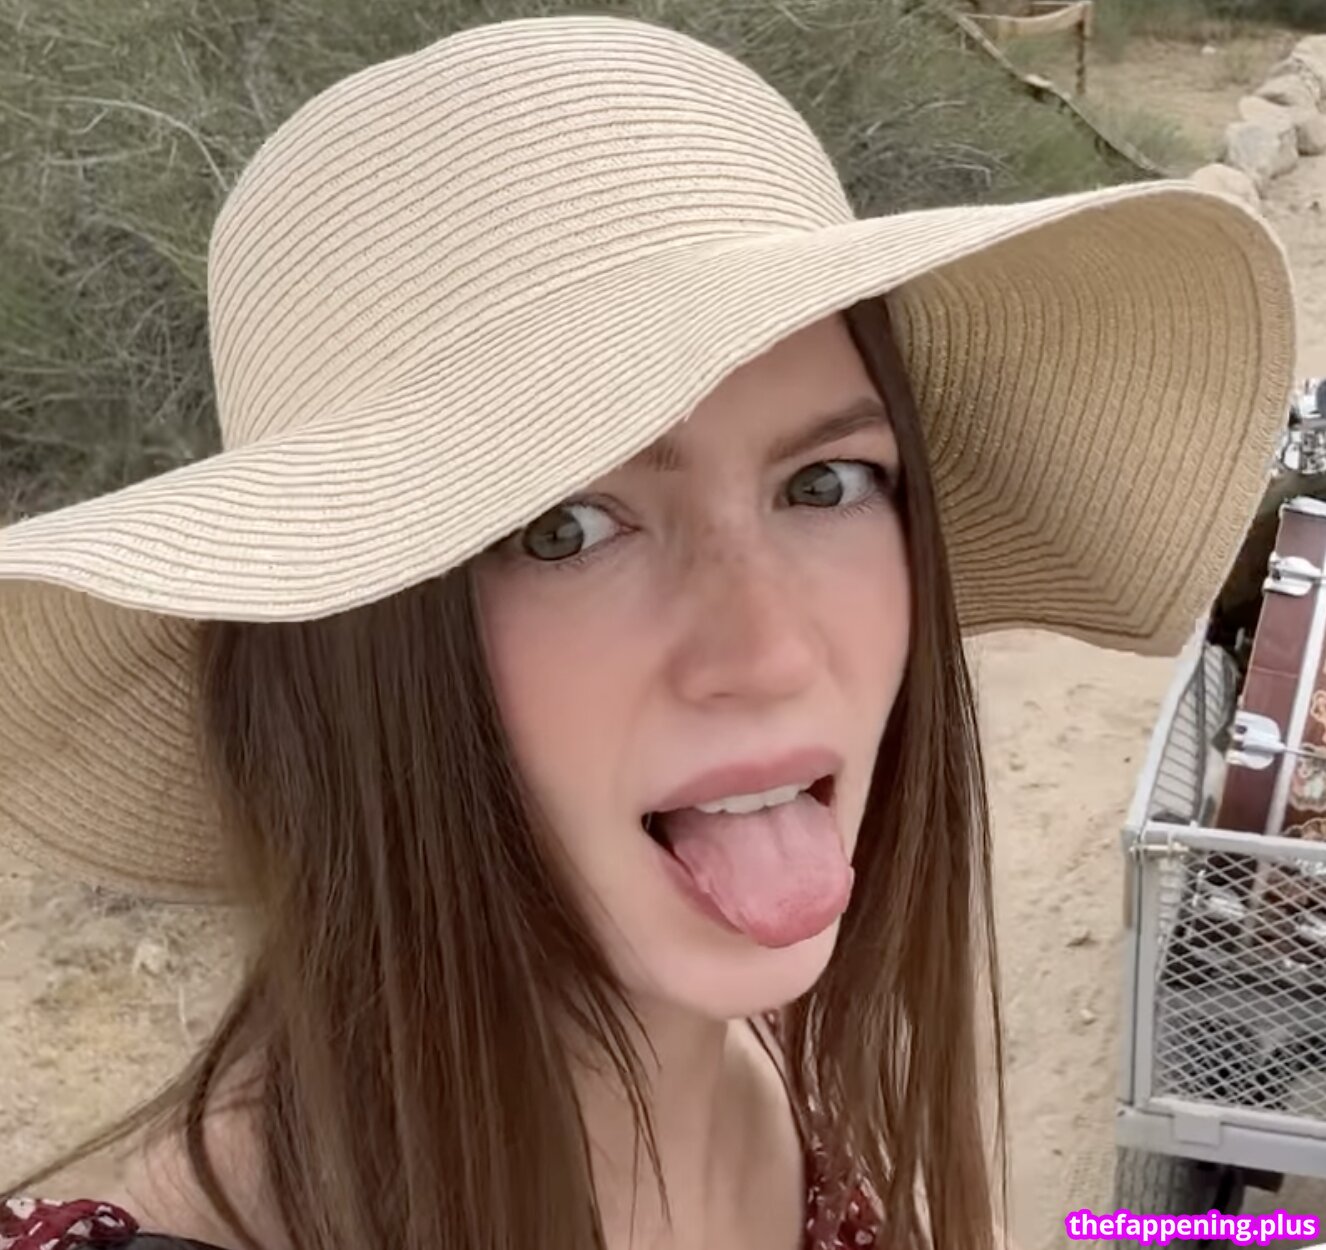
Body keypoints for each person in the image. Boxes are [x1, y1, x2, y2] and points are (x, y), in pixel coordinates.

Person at [0, 13, 1296, 1250]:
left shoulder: (786, 1084)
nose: (771, 653)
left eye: (825, 482)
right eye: (564, 527)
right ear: (341, 655)